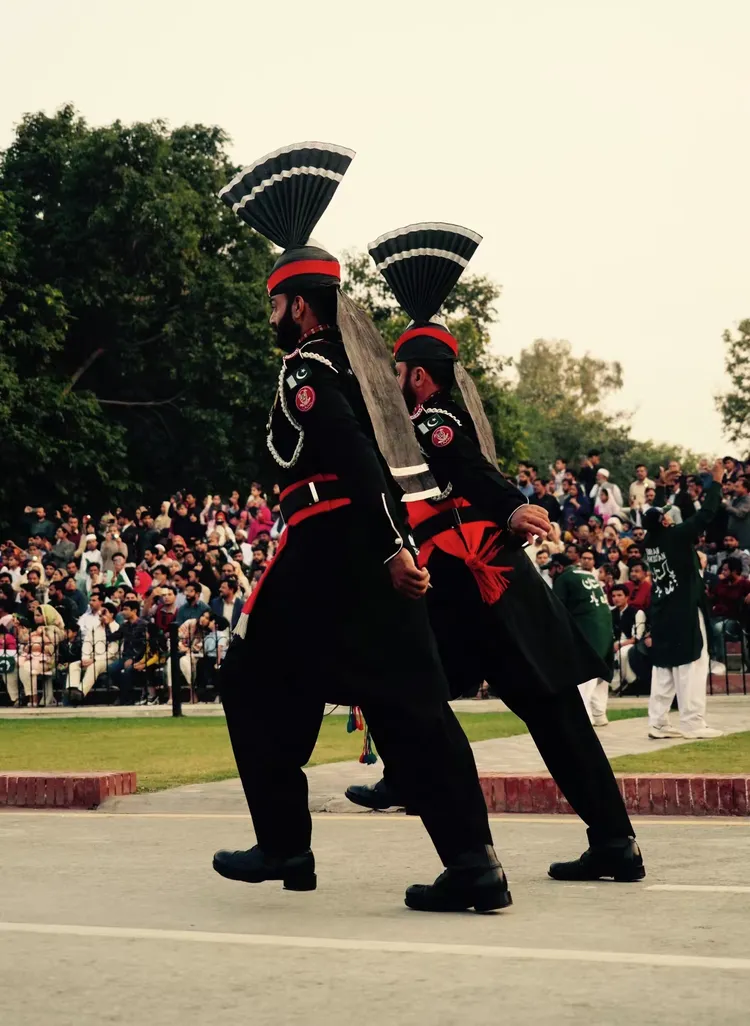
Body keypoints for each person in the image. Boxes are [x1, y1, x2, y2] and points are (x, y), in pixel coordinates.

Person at [214, 144, 515, 912]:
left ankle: (285, 844)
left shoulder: (307, 370)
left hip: (328, 548)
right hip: (366, 544)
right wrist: (399, 542)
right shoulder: (353, 371)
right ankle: (473, 862)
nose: (268, 314)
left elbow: (353, 459)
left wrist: (387, 548)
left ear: (300, 308)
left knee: (247, 680)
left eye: (273, 302)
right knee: (409, 701)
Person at [346, 220, 643, 885]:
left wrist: (508, 505)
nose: (390, 378)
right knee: (545, 713)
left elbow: (470, 469)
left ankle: (411, 780)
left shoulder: (433, 420)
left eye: (397, 369)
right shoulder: (438, 415)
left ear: (418, 377)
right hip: (491, 590)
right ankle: (614, 842)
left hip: (475, 590)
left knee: (408, 688)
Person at [644, 460, 725, 739]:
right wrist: (716, 482)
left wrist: (664, 487)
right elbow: (706, 515)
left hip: (662, 611)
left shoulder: (650, 541)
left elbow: (657, 514)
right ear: (666, 522)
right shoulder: (676, 538)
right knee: (692, 664)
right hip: (685, 610)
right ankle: (692, 723)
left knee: (664, 667)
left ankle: (657, 723)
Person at [548, 555, 613, 727]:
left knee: (584, 672)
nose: (549, 572)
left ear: (558, 567)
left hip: (588, 628)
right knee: (600, 674)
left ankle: (585, 717)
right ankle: (599, 714)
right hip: (605, 626)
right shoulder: (587, 574)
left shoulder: (564, 578)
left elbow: (556, 608)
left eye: (551, 569)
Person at [67, 602, 121, 697]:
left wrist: (94, 659)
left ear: (112, 614)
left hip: (108, 660)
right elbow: (87, 644)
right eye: (101, 612)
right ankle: (72, 688)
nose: (101, 614)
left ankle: (81, 692)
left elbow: (112, 652)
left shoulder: (116, 628)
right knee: (74, 665)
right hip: (91, 658)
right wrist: (85, 658)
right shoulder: (94, 627)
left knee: (94, 666)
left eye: (105, 612)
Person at [17, 605, 65, 706]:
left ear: (47, 616)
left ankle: (33, 698)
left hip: (47, 660)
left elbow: (49, 649)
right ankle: (31, 697)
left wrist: (36, 645)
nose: (36, 617)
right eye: (35, 615)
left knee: (27, 667)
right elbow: (25, 642)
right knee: (22, 667)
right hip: (32, 658)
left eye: (39, 615)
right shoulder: (35, 630)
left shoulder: (55, 630)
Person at [708, 558, 750, 671]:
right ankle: (715, 661)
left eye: (726, 570)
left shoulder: (744, 584)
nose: (723, 572)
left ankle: (720, 662)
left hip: (734, 620)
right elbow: (713, 597)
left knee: (717, 628)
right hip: (717, 616)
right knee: (708, 626)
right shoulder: (722, 584)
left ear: (735, 571)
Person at [107, 599, 146, 705]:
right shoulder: (124, 626)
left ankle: (126, 697)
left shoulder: (143, 625)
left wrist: (133, 658)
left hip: (139, 658)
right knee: (111, 669)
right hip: (125, 657)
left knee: (127, 671)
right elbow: (114, 636)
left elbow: (144, 646)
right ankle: (125, 693)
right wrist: (106, 624)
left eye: (126, 609)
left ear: (134, 611)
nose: (123, 612)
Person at [610, 584, 648, 689]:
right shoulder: (611, 613)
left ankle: (630, 681)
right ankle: (615, 684)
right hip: (615, 643)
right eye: (613, 596)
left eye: (619, 595)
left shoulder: (637, 613)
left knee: (622, 653)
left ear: (626, 597)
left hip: (632, 643)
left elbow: (637, 637)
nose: (616, 599)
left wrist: (620, 644)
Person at [727, 477, 750, 551]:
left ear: (745, 489)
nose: (734, 489)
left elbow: (741, 514)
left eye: (737, 487)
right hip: (734, 537)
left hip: (744, 539)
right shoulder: (734, 500)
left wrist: (726, 507)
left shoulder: (748, 500)